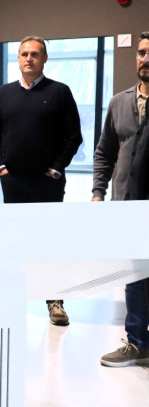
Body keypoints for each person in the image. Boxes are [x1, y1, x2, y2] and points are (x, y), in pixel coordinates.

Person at [0, 35, 82, 326]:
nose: (29, 58)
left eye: (35, 54)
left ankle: (54, 301)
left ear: (44, 59)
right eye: (24, 54)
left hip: (47, 181)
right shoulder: (4, 93)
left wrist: (56, 168)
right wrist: (1, 167)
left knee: (49, 241)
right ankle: (13, 296)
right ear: (18, 58)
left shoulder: (59, 92)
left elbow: (74, 136)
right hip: (13, 180)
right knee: (15, 240)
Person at [96, 31, 149, 367]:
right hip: (127, 205)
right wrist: (97, 192)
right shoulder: (119, 102)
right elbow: (105, 152)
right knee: (134, 275)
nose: (146, 58)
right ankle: (138, 342)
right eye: (141, 52)